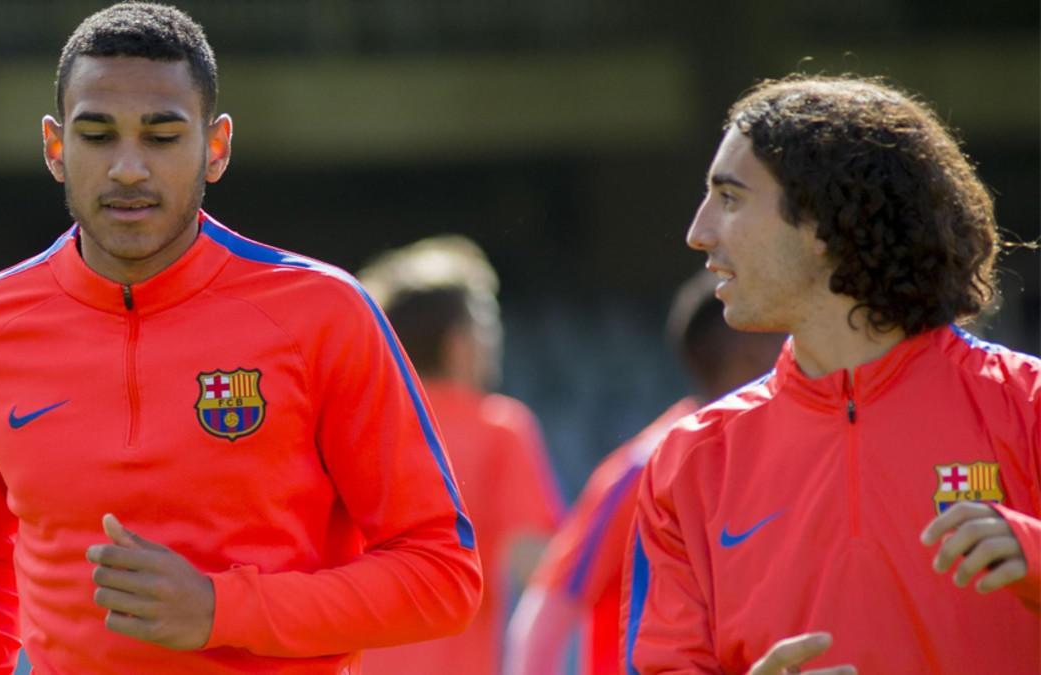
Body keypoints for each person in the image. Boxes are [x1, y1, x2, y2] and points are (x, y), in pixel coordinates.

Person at [0, 4, 481, 673]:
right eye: (97, 135)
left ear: (215, 148)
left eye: (162, 136)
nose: (128, 168)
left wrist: (222, 609)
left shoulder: (323, 313)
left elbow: (442, 575)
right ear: (54, 147)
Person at [624, 74, 1040, 674]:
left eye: (731, 198)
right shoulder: (689, 461)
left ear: (822, 221)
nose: (699, 232)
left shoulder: (1027, 407)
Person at [505, 271, 782, 675]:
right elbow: (552, 601)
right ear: (749, 352)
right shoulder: (647, 466)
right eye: (783, 337)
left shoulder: (784, 454)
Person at [355, 236, 565, 675]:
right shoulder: (499, 428)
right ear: (459, 343)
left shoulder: (354, 425)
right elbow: (536, 563)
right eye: (486, 326)